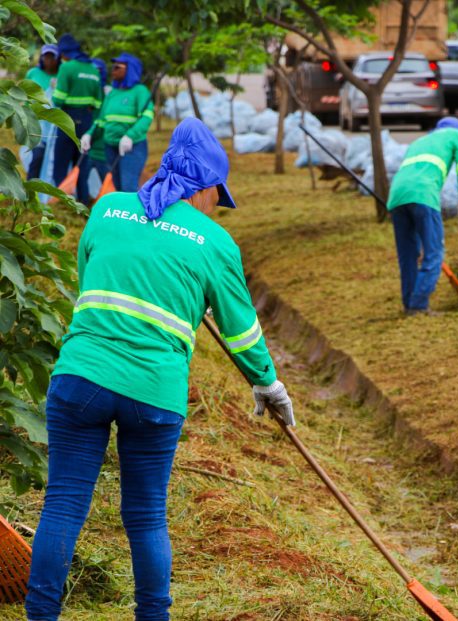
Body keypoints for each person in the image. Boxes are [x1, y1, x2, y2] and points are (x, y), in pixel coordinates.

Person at [25, 117, 296, 621]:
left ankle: (40, 617)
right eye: (218, 193)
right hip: (153, 392)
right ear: (205, 187)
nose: (217, 204)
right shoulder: (213, 243)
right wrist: (268, 383)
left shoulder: (107, 209)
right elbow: (242, 331)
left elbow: (91, 284)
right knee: (147, 517)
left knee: (63, 505)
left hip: (80, 377)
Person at [387, 116, 458, 314]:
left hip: (397, 197)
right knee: (434, 252)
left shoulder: (420, 141)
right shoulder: (457, 137)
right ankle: (418, 305)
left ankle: (409, 303)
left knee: (408, 255)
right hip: (423, 195)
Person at [81, 53, 153, 193]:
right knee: (116, 187)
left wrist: (130, 136)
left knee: (128, 186)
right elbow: (101, 121)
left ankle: (132, 214)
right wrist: (89, 135)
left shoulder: (140, 91)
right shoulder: (112, 93)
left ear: (129, 69)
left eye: (117, 67)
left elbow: (146, 117)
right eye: (112, 67)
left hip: (131, 147)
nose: (113, 70)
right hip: (110, 147)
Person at [51, 34, 102, 203]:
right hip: (86, 121)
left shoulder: (67, 68)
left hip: (67, 119)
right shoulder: (93, 70)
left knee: (60, 164)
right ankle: (82, 204)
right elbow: (97, 102)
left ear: (65, 53)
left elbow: (58, 99)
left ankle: (62, 203)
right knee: (80, 164)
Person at [77, 58, 111, 203]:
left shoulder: (110, 93)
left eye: (98, 71)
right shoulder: (85, 91)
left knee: (107, 181)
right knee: (81, 176)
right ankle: (83, 206)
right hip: (88, 144)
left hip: (103, 147)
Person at [25, 44, 60, 180]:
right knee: (37, 156)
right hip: (36, 122)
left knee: (51, 159)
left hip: (53, 124)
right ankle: (31, 189)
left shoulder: (61, 75)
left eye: (52, 57)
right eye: (46, 57)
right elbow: (25, 95)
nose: (49, 61)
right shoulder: (33, 73)